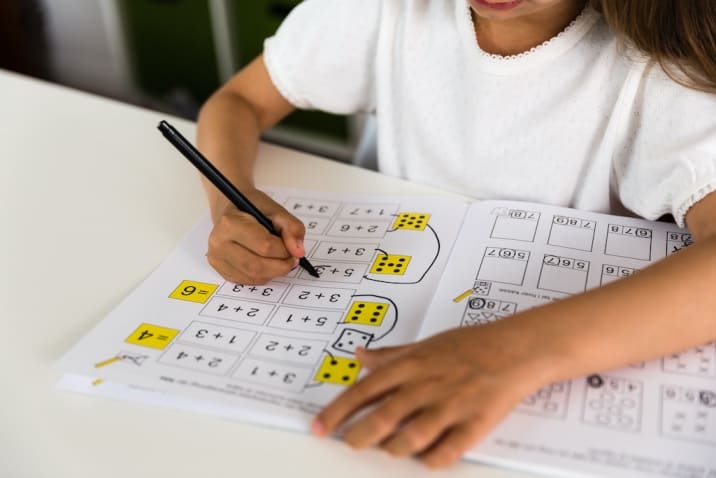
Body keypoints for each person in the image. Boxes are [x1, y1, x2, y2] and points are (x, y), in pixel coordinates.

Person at [196, 0, 716, 468]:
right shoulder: (387, 11)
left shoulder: (656, 70)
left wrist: (511, 353)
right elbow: (238, 100)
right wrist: (230, 204)